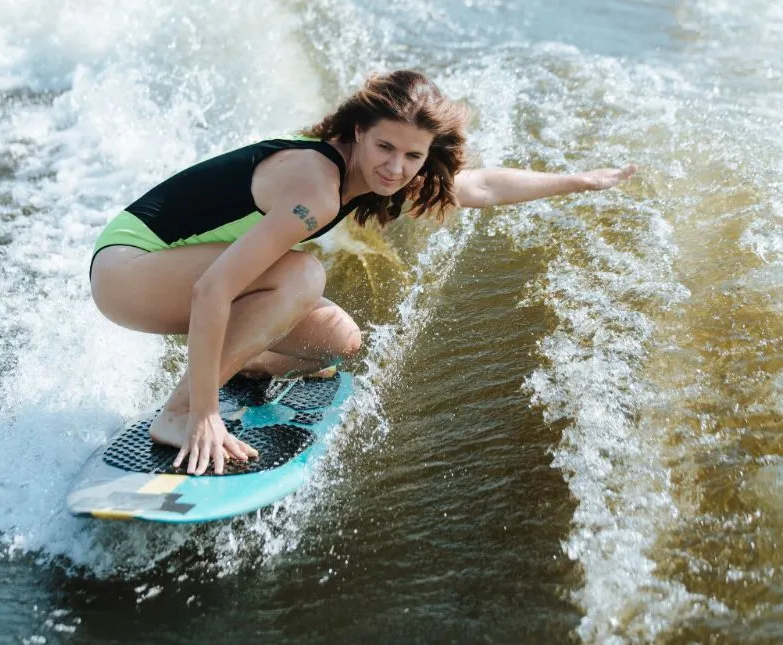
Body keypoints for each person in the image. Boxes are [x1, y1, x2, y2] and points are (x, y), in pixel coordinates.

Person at [89, 70, 636, 476]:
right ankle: (180, 410)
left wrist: (579, 181)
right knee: (303, 276)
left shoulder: (378, 175)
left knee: (338, 343)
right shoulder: (316, 187)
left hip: (174, 271)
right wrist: (205, 414)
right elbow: (214, 287)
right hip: (127, 271)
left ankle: (241, 357)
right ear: (354, 133)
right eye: (384, 147)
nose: (396, 168)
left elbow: (483, 186)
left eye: (413, 156)